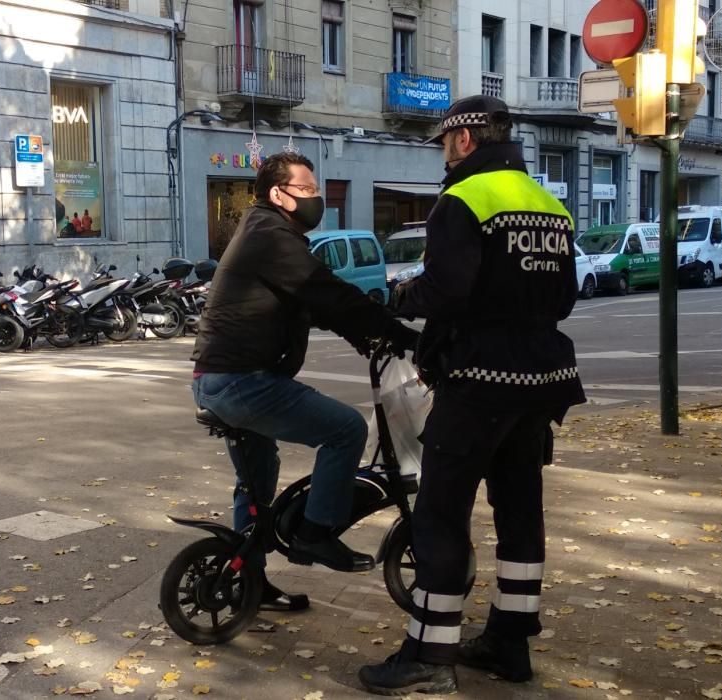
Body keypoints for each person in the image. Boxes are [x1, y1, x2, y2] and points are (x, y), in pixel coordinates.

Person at [358, 96, 586, 695]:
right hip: (539, 382)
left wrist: (402, 300)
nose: (443, 153)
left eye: (443, 142)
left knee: (440, 512)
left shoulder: (461, 200)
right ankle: (510, 642)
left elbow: (447, 288)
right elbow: (563, 298)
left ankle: (430, 655)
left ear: (463, 140)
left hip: (480, 379)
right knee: (519, 509)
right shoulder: (550, 204)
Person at [191, 152, 420, 612]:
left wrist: (367, 339)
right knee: (345, 430)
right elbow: (327, 293)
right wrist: (401, 334)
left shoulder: (270, 233)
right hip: (241, 382)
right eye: (308, 191)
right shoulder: (270, 235)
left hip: (222, 380)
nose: (317, 199)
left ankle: (245, 584)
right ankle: (317, 533)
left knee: (256, 486)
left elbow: (315, 305)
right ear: (279, 194)